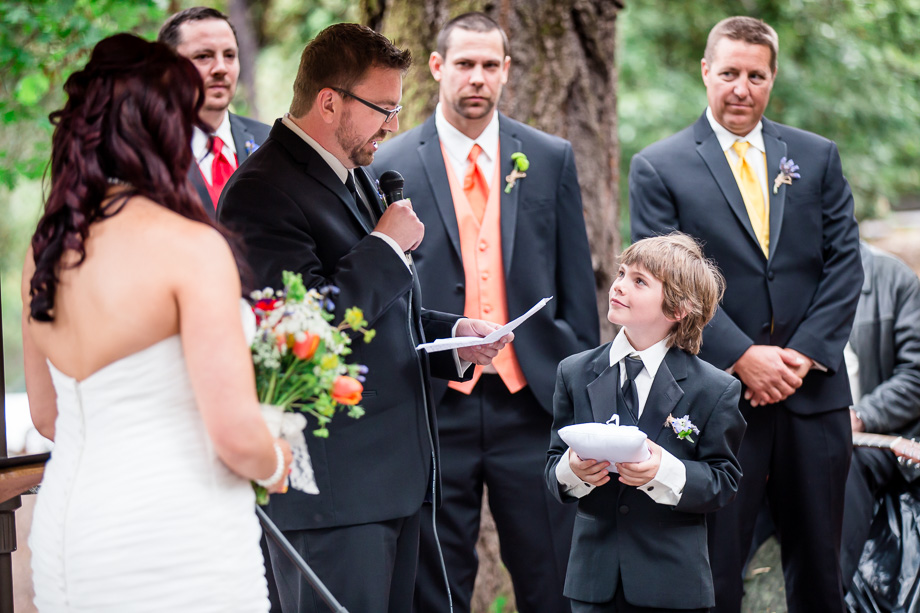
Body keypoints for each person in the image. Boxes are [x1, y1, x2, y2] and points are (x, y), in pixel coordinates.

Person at [217, 23, 511, 613]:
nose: (394, 124)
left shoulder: (351, 173)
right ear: (330, 101)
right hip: (334, 492)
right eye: (383, 107)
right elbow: (300, 333)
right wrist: (383, 248)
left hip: (393, 482)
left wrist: (451, 336)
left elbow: (376, 320)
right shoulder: (261, 192)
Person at [21, 33, 292, 612]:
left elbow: (47, 414)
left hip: (70, 537)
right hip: (177, 540)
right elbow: (236, 437)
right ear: (164, 129)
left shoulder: (46, 248)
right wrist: (278, 460)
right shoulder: (191, 248)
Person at [629, 16, 863, 613]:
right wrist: (741, 357)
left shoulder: (817, 156)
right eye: (729, 73)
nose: (741, 87)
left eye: (755, 75)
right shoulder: (660, 165)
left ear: (772, 77)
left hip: (811, 398)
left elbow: (845, 267)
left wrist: (801, 357)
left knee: (821, 565)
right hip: (714, 399)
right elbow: (665, 279)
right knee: (715, 563)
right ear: (706, 72)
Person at [371, 12, 599, 612]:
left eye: (490, 65)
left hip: (533, 403)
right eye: (465, 64)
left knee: (552, 570)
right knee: (436, 582)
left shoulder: (549, 158)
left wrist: (579, 385)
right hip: (433, 404)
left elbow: (576, 281)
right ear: (439, 68)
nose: (478, 77)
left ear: (506, 72)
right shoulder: (389, 163)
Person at [545, 233, 746, 612]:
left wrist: (663, 470)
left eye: (639, 281)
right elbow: (552, 472)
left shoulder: (714, 388)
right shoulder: (574, 372)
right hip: (593, 585)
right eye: (622, 273)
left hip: (673, 585)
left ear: (678, 308)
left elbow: (723, 482)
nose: (619, 285)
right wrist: (572, 470)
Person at [841, 242, 920, 589]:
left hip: (883, 438)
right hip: (811, 435)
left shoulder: (892, 278)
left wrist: (860, 416)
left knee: (845, 463)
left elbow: (915, 375)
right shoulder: (783, 279)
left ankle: (832, 589)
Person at [159, 6, 270, 216]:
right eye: (203, 56)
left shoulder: (270, 142)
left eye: (229, 55)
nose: (221, 68)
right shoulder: (143, 152)